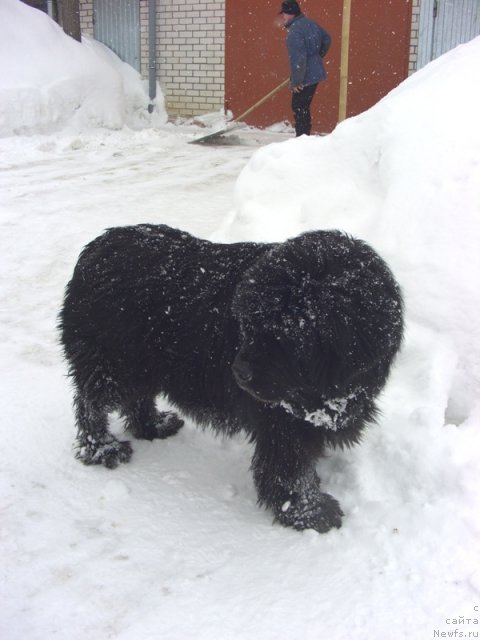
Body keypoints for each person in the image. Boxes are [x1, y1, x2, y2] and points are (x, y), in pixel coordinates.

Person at [279, 1, 331, 136]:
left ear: (289, 14)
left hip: (306, 75)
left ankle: (302, 138)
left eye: (284, 13)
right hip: (315, 71)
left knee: (299, 106)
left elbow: (298, 59)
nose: (283, 17)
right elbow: (327, 39)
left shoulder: (295, 32)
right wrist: (317, 56)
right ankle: (304, 138)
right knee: (303, 106)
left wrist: (296, 82)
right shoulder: (310, 23)